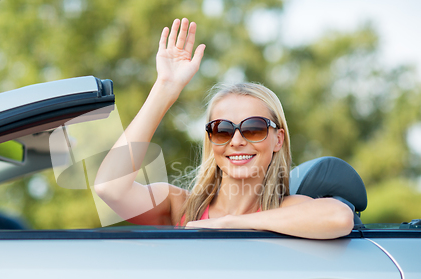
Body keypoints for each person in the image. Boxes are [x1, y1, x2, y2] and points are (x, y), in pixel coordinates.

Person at [94, 18, 354, 239]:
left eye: (253, 128)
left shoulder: (287, 209)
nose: (237, 140)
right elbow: (110, 188)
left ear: (278, 140)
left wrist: (230, 224)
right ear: (211, 140)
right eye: (222, 130)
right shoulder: (181, 207)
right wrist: (165, 88)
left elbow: (340, 217)